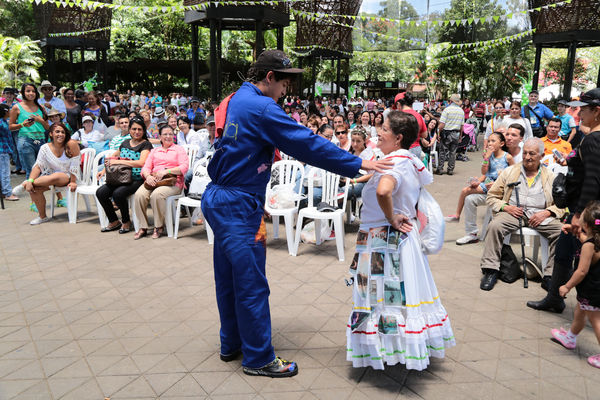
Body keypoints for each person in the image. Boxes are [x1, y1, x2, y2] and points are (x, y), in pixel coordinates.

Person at [200, 50, 391, 378]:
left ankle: (231, 342)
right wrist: (357, 162)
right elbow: (306, 143)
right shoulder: (262, 107)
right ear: (269, 78)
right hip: (238, 205)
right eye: (284, 82)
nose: (287, 89)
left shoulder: (235, 98)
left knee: (229, 278)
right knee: (251, 283)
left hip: (219, 197)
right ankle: (258, 358)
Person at [346, 111, 455, 371]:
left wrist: (391, 215)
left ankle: (389, 351)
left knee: (384, 297)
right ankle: (394, 349)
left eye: (384, 129)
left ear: (398, 138)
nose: (378, 132)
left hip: (386, 240)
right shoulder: (403, 159)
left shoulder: (397, 162)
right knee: (394, 298)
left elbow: (384, 190)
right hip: (390, 239)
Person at [527, 88, 600, 313]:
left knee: (583, 261)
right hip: (582, 209)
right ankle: (555, 298)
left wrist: (579, 214)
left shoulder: (593, 140)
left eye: (583, 109)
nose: (577, 114)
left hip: (584, 213)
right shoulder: (591, 137)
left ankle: (582, 310)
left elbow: (592, 181)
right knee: (564, 252)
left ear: (596, 111)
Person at [479, 138, 565, 291]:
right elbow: (491, 197)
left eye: (532, 153)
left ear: (542, 155)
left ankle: (550, 275)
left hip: (539, 215)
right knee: (495, 226)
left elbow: (562, 205)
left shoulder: (551, 176)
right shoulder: (510, 171)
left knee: (561, 232)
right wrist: (506, 207)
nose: (527, 157)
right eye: (525, 153)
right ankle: (490, 270)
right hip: (513, 213)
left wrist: (547, 212)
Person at [550, 201, 600, 369]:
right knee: (580, 311)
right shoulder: (595, 240)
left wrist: (567, 286)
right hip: (593, 290)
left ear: (585, 224)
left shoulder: (589, 246)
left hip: (592, 290)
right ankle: (570, 337)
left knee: (596, 320)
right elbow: (588, 241)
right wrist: (576, 233)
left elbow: (581, 271)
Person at [11, 123, 80, 224]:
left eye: (63, 132)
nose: (60, 134)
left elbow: (75, 164)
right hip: (50, 178)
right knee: (35, 188)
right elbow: (38, 166)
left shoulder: (71, 144)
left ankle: (24, 184)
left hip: (70, 176)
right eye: (57, 132)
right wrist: (31, 180)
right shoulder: (44, 148)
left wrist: (73, 181)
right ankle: (42, 217)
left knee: (56, 176)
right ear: (51, 134)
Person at [96, 117, 153, 234]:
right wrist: (104, 171)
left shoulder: (146, 144)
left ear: (143, 131)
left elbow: (141, 163)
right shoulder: (125, 143)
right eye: (134, 129)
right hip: (120, 177)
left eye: (139, 129)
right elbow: (113, 158)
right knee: (101, 192)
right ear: (130, 130)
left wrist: (119, 162)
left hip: (136, 179)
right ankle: (114, 220)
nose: (136, 132)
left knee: (118, 193)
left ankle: (126, 221)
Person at [446, 131, 514, 225]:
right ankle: (457, 215)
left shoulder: (508, 157)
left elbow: (514, 175)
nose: (490, 143)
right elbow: (484, 172)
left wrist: (498, 183)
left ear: (501, 143)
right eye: (489, 141)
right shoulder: (489, 156)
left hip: (499, 188)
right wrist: (477, 180)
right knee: (465, 190)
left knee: (468, 193)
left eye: (493, 141)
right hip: (487, 185)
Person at [134, 125, 189, 240]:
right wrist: (148, 176)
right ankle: (143, 227)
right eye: (165, 134)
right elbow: (145, 167)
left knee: (157, 194)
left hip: (173, 182)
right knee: (139, 195)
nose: (168, 136)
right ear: (160, 136)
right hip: (154, 180)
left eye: (170, 134)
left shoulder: (179, 149)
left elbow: (184, 167)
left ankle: (159, 226)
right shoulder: (155, 151)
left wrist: (166, 171)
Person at [9, 83, 50, 179]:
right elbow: (10, 126)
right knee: (31, 171)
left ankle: (38, 192)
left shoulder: (41, 107)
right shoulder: (17, 107)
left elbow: (47, 127)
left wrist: (40, 121)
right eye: (28, 91)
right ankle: (33, 192)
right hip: (25, 141)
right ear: (23, 93)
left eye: (33, 91)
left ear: (36, 93)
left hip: (41, 140)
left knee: (42, 170)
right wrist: (22, 124)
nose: (31, 93)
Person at [435, 94, 464, 175]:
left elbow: (442, 124)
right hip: (456, 133)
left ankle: (440, 168)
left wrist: (438, 133)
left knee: (442, 151)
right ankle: (450, 169)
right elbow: (462, 126)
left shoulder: (447, 110)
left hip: (446, 133)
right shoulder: (461, 111)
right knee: (453, 152)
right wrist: (461, 136)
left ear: (450, 101)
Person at [0, 104, 18, 201]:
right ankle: (7, 193)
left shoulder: (3, 122)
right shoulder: (2, 123)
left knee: (2, 172)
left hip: (4, 151)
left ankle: (3, 192)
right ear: (6, 112)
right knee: (5, 172)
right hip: (2, 151)